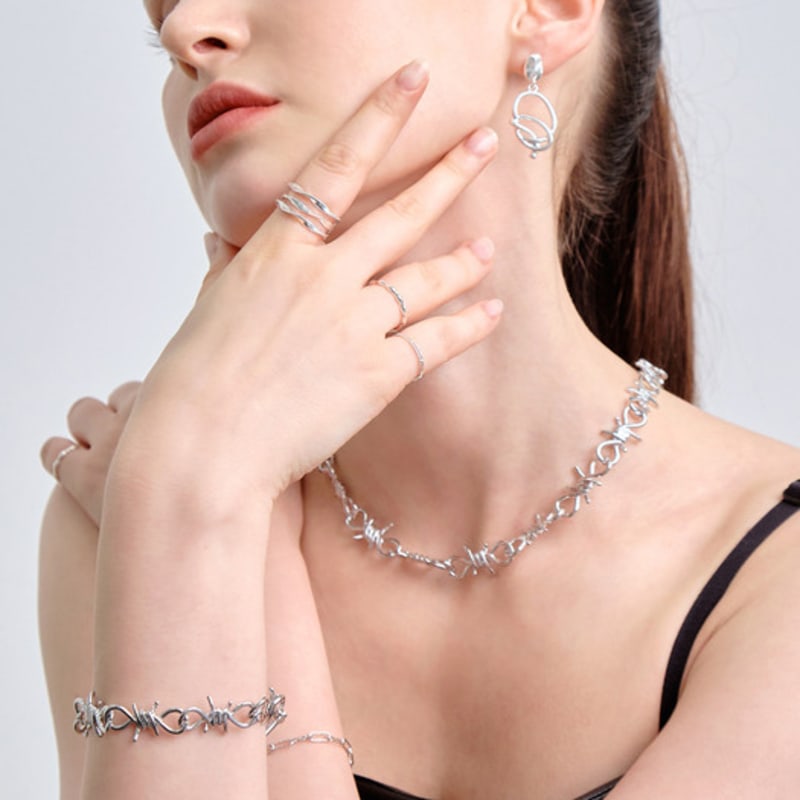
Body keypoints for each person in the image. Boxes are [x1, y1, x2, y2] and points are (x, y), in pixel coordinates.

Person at [38, 1, 800, 798]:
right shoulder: (135, 502)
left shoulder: (777, 579)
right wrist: (201, 510)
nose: (183, 30)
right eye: (162, 7)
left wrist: (240, 557)